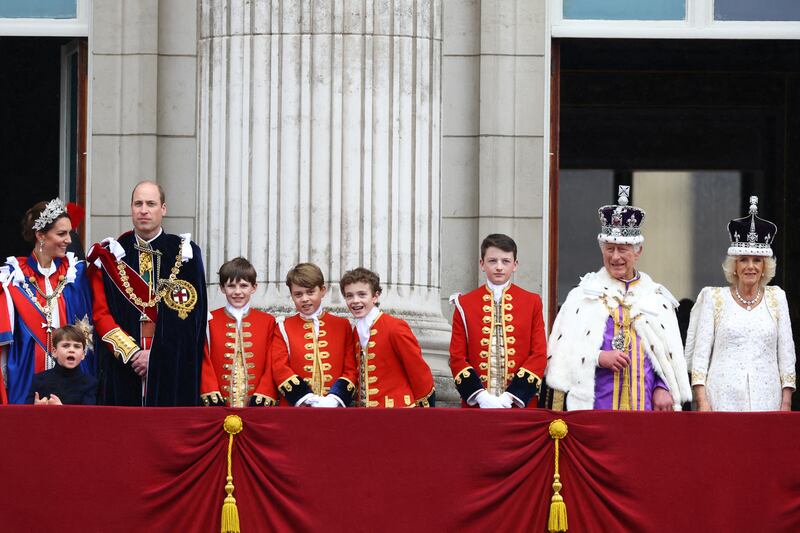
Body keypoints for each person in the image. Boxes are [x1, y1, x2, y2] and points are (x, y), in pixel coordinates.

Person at [545, 185, 691, 411]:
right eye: (609, 249)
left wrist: (664, 387)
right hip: (595, 408)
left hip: (645, 408)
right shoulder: (581, 297)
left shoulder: (657, 298)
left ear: (638, 251)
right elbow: (559, 355)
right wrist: (598, 356)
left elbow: (669, 353)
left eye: (623, 249)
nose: (615, 257)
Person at [87, 181, 208, 406]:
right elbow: (101, 314)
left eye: (151, 204)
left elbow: (192, 317)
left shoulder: (186, 253)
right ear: (131, 208)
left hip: (172, 365)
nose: (144, 210)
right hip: (123, 366)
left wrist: (156, 356)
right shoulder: (112, 254)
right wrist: (132, 354)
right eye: (138, 203)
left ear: (163, 209)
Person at [686, 196, 795, 411]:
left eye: (757, 261)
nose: (750, 266)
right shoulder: (714, 298)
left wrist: (786, 401)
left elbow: (786, 354)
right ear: (734, 265)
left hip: (767, 401)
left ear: (765, 266)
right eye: (743, 259)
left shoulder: (777, 298)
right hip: (721, 400)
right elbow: (700, 356)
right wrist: (702, 401)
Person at [0, 198, 94, 404]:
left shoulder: (73, 273)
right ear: (41, 235)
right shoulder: (13, 277)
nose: (69, 240)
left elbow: (86, 328)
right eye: (61, 233)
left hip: (70, 380)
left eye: (70, 233)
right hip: (26, 375)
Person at [448, 234, 547, 408]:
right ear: (482, 264)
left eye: (506, 261)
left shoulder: (532, 302)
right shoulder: (464, 304)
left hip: (520, 405)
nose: (499, 267)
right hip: (477, 406)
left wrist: (512, 396)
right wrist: (479, 396)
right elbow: (457, 357)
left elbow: (539, 354)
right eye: (492, 261)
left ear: (515, 265)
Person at [340, 267, 435, 408]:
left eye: (362, 295)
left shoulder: (394, 327)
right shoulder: (356, 331)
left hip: (399, 412)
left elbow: (419, 373)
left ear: (375, 296)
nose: (355, 301)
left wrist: (425, 413)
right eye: (349, 296)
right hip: (366, 415)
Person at [270, 263, 358, 407]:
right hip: (295, 409)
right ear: (291, 295)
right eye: (298, 294)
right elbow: (279, 367)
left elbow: (351, 369)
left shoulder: (343, 325)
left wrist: (335, 399)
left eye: (310, 292)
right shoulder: (282, 327)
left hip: (335, 409)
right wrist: (304, 397)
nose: (304, 298)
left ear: (322, 291)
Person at [200, 257, 277, 407]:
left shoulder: (268, 321)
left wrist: (265, 393)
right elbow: (203, 359)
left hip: (256, 405)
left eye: (243, 286)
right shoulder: (209, 320)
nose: (237, 292)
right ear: (222, 288)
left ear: (254, 287)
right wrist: (210, 391)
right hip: (219, 405)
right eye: (231, 286)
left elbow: (271, 361)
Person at [27, 322, 97, 405]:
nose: (72, 350)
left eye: (77, 346)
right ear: (54, 351)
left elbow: (90, 416)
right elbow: (25, 415)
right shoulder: (39, 380)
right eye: (66, 345)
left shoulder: (91, 384)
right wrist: (35, 409)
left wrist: (61, 410)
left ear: (83, 354)